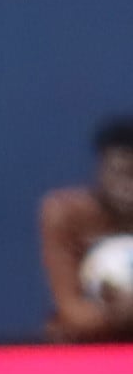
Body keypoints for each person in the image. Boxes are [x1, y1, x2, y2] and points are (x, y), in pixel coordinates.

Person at [40, 114, 133, 343]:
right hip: (88, 342)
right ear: (101, 170)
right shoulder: (65, 215)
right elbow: (71, 309)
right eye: (119, 173)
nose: (127, 187)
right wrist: (116, 313)